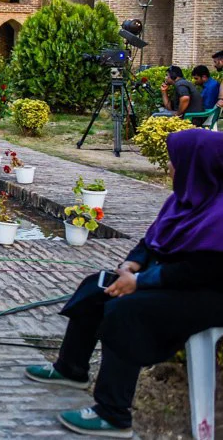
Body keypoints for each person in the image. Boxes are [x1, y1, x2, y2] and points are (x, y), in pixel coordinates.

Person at [24, 129, 223, 438]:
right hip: (169, 279)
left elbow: (201, 272)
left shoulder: (218, 214)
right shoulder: (182, 200)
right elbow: (152, 241)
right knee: (98, 286)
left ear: (197, 166)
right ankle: (71, 368)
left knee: (126, 312)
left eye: (175, 162)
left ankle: (113, 414)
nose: (170, 168)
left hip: (207, 294)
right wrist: (132, 264)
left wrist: (140, 282)